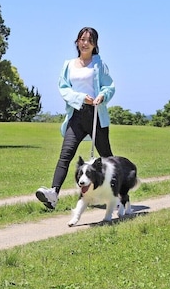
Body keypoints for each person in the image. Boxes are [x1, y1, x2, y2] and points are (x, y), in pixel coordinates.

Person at [35, 26, 116, 210]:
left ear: (95, 45)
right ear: (77, 42)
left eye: (89, 40)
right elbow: (64, 88)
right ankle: (53, 194)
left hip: (96, 115)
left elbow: (109, 87)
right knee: (65, 155)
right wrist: (80, 98)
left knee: (107, 157)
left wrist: (102, 96)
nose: (85, 43)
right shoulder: (68, 65)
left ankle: (114, 193)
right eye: (82, 39)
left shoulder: (99, 64)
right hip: (76, 115)